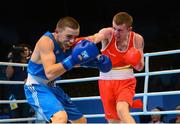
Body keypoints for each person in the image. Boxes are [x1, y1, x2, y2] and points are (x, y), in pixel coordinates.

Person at [24, 16, 112, 123]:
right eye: (69, 36)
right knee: (60, 117)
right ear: (57, 32)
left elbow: (93, 38)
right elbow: (50, 73)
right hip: (37, 86)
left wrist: (96, 62)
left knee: (80, 121)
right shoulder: (46, 42)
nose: (72, 41)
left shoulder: (71, 43)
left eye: (75, 37)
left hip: (53, 87)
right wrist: (73, 59)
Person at [81, 12, 144, 123]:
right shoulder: (108, 33)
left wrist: (135, 60)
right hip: (105, 82)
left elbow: (140, 67)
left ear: (129, 29)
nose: (116, 33)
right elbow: (95, 38)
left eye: (120, 30)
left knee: (122, 110)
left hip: (126, 82)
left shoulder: (137, 39)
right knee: (113, 121)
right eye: (114, 28)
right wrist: (81, 42)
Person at [5, 44, 33, 119]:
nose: (24, 52)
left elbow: (37, 75)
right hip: (14, 93)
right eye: (22, 50)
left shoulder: (31, 62)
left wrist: (29, 79)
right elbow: (8, 76)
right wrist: (11, 59)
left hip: (27, 93)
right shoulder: (14, 62)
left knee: (26, 116)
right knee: (14, 116)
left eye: (26, 50)